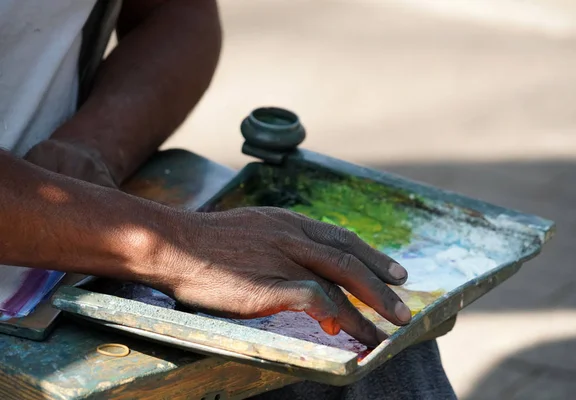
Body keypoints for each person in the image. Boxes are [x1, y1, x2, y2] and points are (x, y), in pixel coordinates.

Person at [0, 1, 456, 399]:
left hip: (87, 212)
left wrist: (94, 144)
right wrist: (173, 244)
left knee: (357, 333)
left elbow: (176, 13)